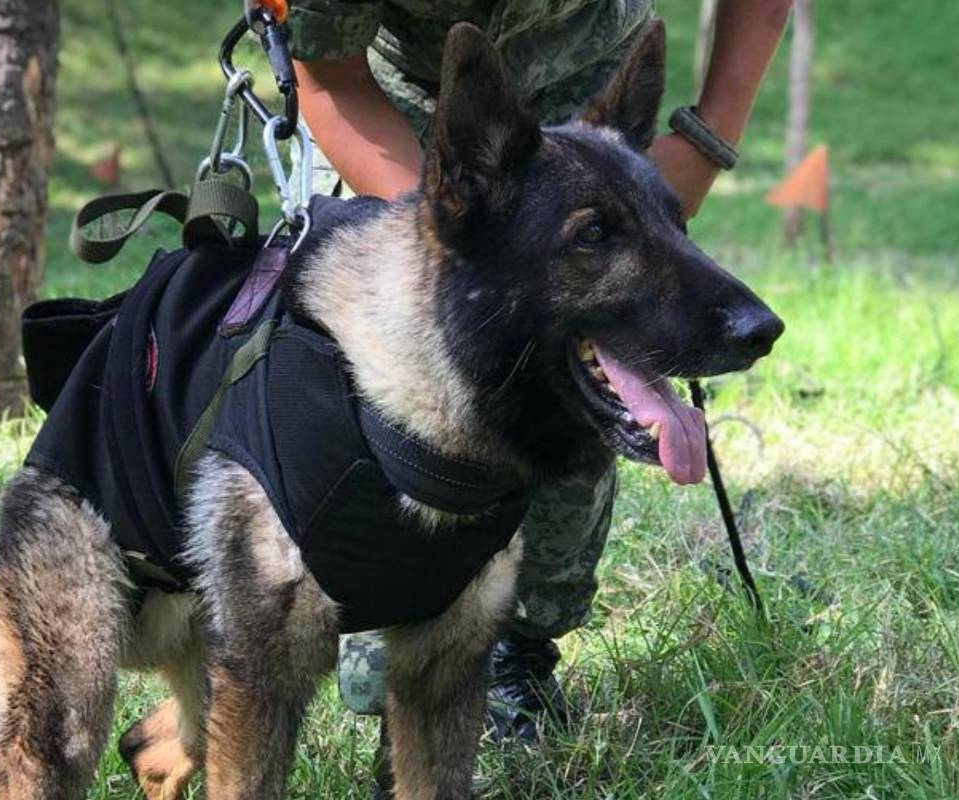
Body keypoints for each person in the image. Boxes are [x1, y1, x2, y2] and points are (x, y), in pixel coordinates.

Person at [284, 0, 792, 777]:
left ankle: (515, 655)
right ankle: (379, 654)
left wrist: (699, 144)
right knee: (395, 402)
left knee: (571, 388)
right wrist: (450, 235)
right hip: (393, 107)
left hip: (593, 94)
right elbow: (330, 80)